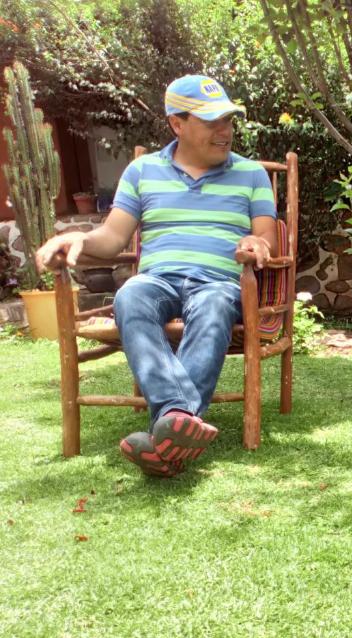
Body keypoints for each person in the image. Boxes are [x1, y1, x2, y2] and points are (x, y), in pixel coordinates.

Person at [35, 75, 277, 477]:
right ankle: (178, 421)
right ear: (177, 124)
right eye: (212, 121)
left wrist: (256, 242)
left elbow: (266, 236)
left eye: (229, 120)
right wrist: (78, 238)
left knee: (214, 303)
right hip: (158, 280)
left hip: (218, 282)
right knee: (131, 295)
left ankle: (168, 426)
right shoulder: (142, 171)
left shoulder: (250, 174)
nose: (225, 131)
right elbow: (113, 238)